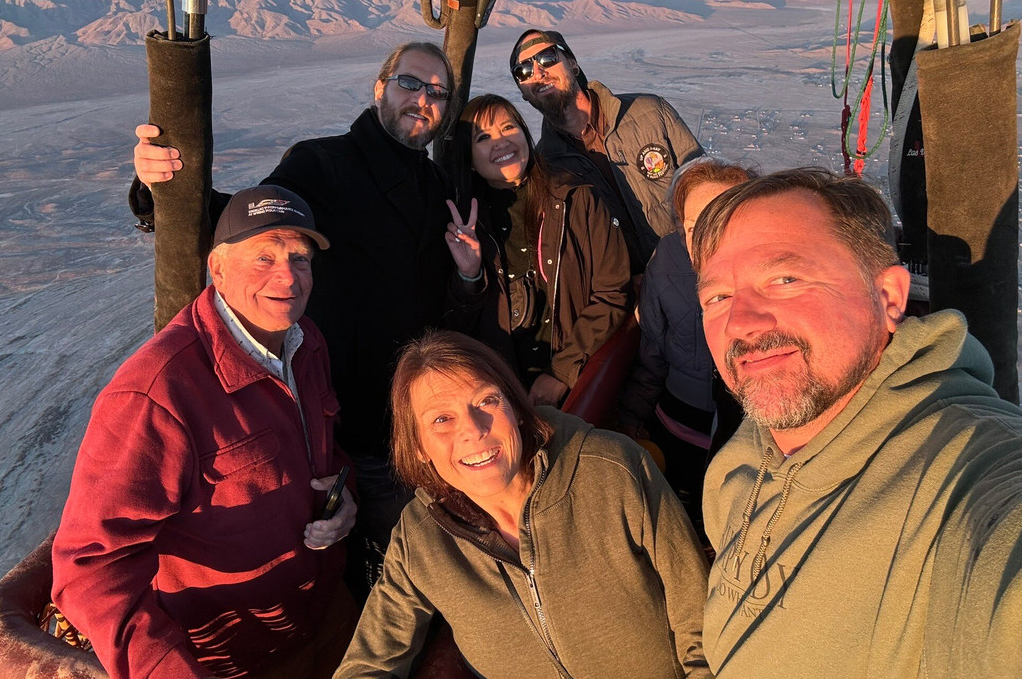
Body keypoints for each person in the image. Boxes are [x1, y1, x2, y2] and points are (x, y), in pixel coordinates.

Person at [132, 42, 456, 585]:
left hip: (421, 423)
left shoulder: (437, 184)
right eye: (410, 83)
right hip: (352, 433)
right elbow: (246, 221)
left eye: (438, 91)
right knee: (384, 577)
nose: (423, 99)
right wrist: (161, 188)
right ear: (380, 88)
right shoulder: (325, 164)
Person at [690, 167, 1022, 678]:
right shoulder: (736, 466)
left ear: (888, 297)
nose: (740, 323)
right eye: (718, 297)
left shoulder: (964, 471)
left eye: (785, 279)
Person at [52, 185, 357, 679]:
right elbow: (91, 569)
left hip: (324, 616)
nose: (288, 276)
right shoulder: (157, 392)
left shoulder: (305, 342)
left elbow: (324, 448)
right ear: (218, 267)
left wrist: (345, 500)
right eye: (264, 257)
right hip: (229, 656)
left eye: (299, 258)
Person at [333, 330, 712, 679]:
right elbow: (368, 663)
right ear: (418, 446)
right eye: (442, 419)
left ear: (515, 408)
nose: (473, 429)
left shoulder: (614, 471)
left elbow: (701, 624)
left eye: (486, 400)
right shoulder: (420, 536)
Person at [443, 93, 632, 408]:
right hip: (500, 395)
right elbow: (454, 330)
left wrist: (561, 371)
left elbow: (613, 293)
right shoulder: (462, 226)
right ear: (469, 159)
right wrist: (469, 275)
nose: (501, 142)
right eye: (483, 137)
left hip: (575, 387)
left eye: (508, 128)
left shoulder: (575, 198)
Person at [619, 158, 752, 529]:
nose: (709, 235)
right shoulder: (666, 260)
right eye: (695, 225)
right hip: (679, 423)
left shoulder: (770, 271)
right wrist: (631, 417)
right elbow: (652, 348)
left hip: (748, 430)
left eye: (723, 218)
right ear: (680, 229)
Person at [509, 29, 704, 272]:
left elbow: (707, 188)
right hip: (625, 293)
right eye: (523, 71)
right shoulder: (545, 168)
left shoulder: (651, 113)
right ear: (523, 93)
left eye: (547, 58)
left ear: (573, 64)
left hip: (693, 270)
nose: (538, 72)